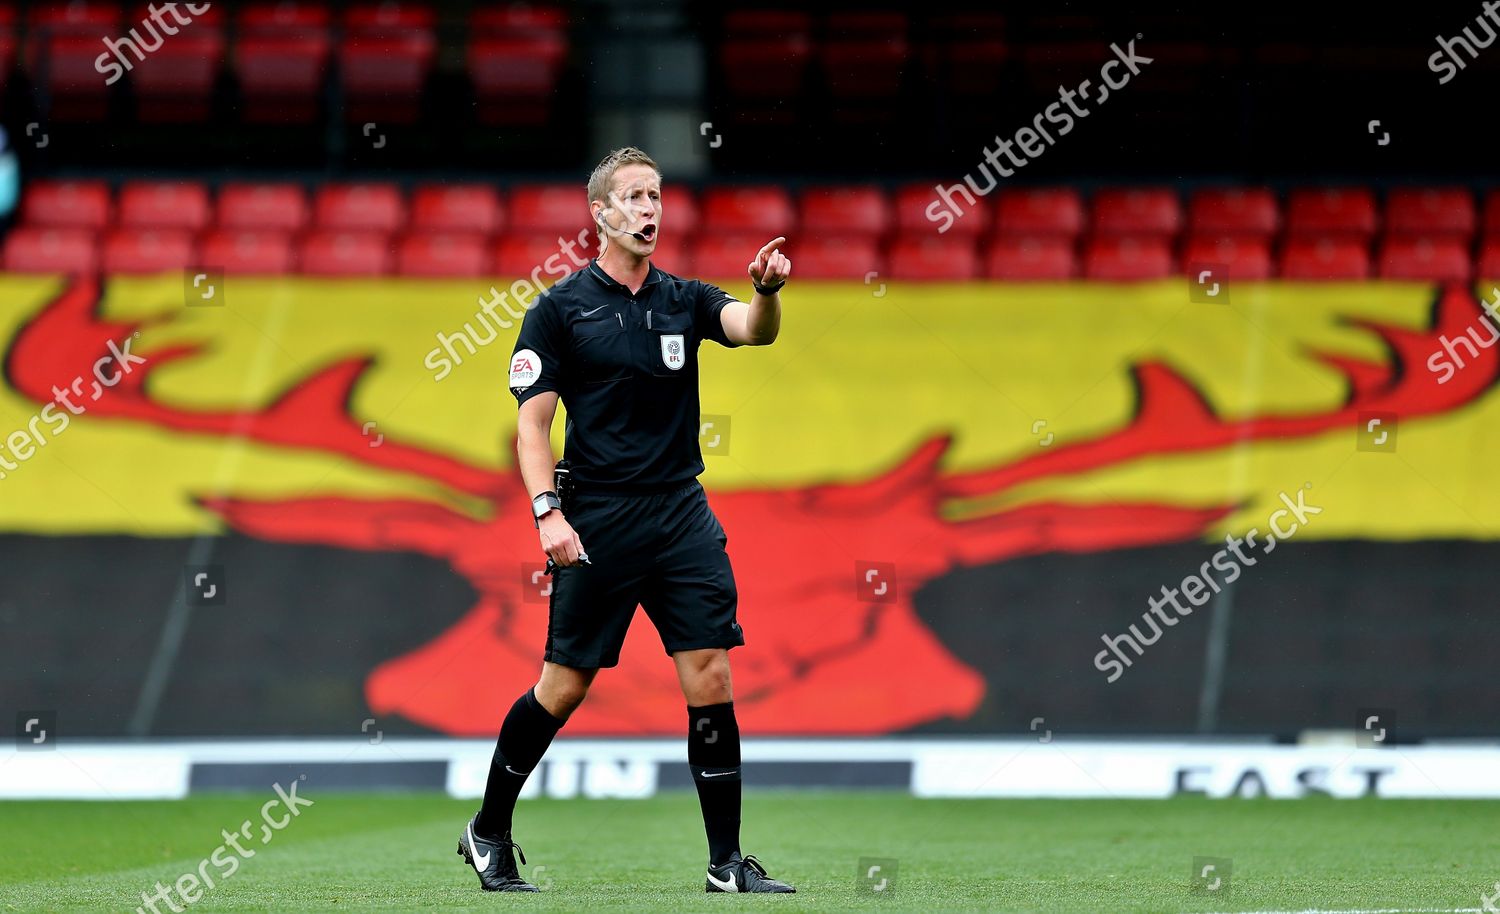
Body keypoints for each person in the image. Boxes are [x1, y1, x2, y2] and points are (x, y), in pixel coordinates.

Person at [456, 147, 795, 894]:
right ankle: (487, 830)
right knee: (563, 687)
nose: (650, 209)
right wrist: (548, 513)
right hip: (598, 518)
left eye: (656, 195)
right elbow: (532, 429)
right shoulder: (558, 311)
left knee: (710, 674)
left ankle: (725, 865)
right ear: (600, 213)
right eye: (634, 197)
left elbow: (753, 330)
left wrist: (765, 292)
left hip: (681, 511)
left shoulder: (686, 299)